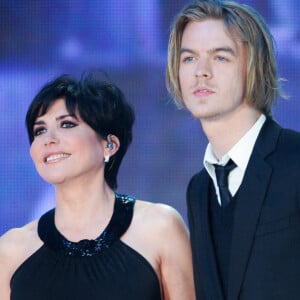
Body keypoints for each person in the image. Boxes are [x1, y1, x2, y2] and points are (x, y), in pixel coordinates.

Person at [0, 71, 195, 300]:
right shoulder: (12, 249)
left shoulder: (160, 227)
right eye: (39, 130)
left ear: (109, 145)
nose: (48, 139)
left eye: (67, 124)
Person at [166, 0, 300, 299]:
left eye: (220, 57)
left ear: (254, 65)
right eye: (189, 59)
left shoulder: (296, 159)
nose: (201, 71)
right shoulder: (199, 189)